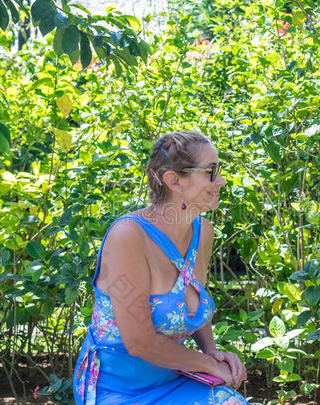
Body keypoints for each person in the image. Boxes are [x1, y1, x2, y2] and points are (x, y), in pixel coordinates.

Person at [73, 131, 248, 404]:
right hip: (116, 390)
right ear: (173, 180)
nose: (221, 181)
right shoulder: (128, 236)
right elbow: (139, 341)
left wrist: (211, 351)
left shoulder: (203, 232)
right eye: (211, 172)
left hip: (172, 379)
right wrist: (208, 364)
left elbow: (196, 299)